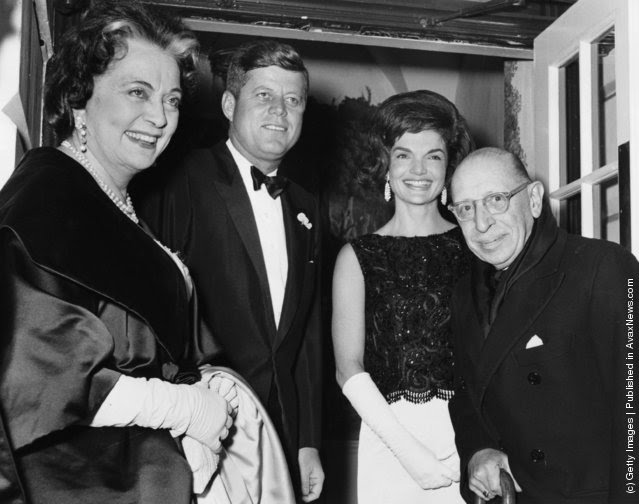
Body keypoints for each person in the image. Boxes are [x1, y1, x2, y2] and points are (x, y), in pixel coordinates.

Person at [0, 2, 286, 502]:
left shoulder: (113, 203)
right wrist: (182, 408)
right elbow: (33, 380)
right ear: (79, 98)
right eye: (137, 92)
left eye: (172, 100)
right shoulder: (47, 196)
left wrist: (208, 388)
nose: (159, 118)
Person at [137, 39, 324, 502]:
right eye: (264, 95)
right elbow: (152, 315)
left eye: (293, 99)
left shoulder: (307, 207)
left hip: (280, 434)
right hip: (199, 429)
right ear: (228, 104)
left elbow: (306, 335)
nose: (280, 110)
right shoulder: (181, 178)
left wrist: (308, 441)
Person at [446, 147, 639, 504]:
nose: (481, 224)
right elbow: (466, 397)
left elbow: (633, 413)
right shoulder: (464, 295)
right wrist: (478, 450)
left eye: (496, 200)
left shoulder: (602, 268)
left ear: (534, 200)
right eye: (466, 209)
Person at [331, 90, 474, 503]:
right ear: (385, 164)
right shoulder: (357, 257)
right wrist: (407, 452)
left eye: (433, 156)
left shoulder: (474, 248)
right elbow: (347, 367)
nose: (418, 169)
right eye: (403, 154)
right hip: (389, 445)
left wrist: (480, 440)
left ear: (448, 166)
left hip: (468, 438)